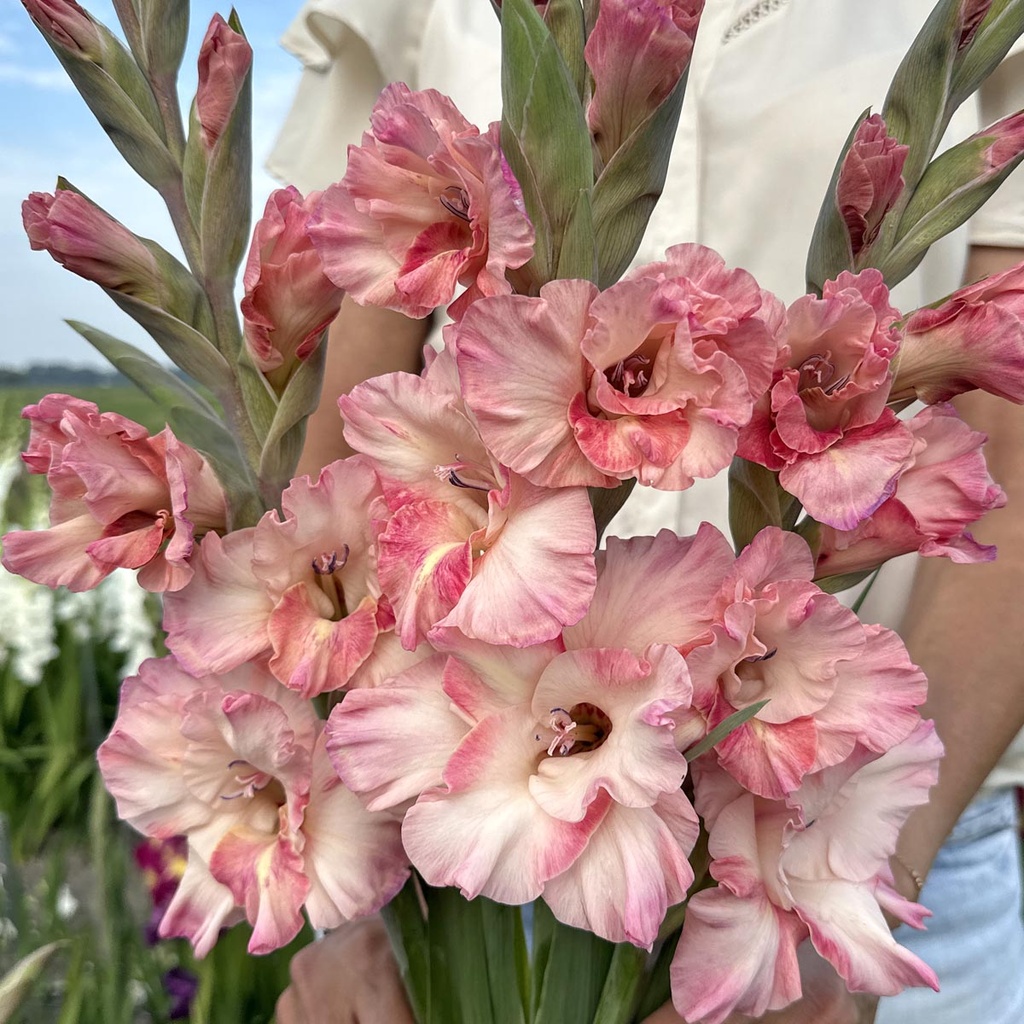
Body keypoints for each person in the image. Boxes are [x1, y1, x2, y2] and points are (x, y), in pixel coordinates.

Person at [269, 1, 1024, 1021]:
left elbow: (1007, 483)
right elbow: (333, 450)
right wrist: (351, 898)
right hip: (453, 843)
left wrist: (846, 899)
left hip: (858, 835)